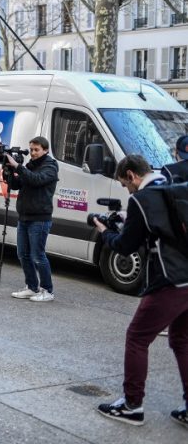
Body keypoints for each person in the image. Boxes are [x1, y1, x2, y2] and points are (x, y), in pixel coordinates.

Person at [94, 155, 188, 428]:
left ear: (132, 175)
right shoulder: (171, 183)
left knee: (137, 337)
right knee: (181, 339)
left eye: (125, 184)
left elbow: (124, 246)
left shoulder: (140, 200)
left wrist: (103, 231)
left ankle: (132, 405)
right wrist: (128, 217)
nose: (127, 190)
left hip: (170, 279)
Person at [6, 136, 59, 302]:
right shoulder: (29, 165)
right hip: (24, 216)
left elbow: (36, 180)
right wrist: (8, 172)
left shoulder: (50, 166)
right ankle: (31, 287)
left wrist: (18, 167)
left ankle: (47, 290)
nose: (33, 153)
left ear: (45, 150)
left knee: (37, 255)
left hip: (40, 218)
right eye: (31, 150)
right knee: (23, 254)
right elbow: (17, 184)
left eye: (36, 150)